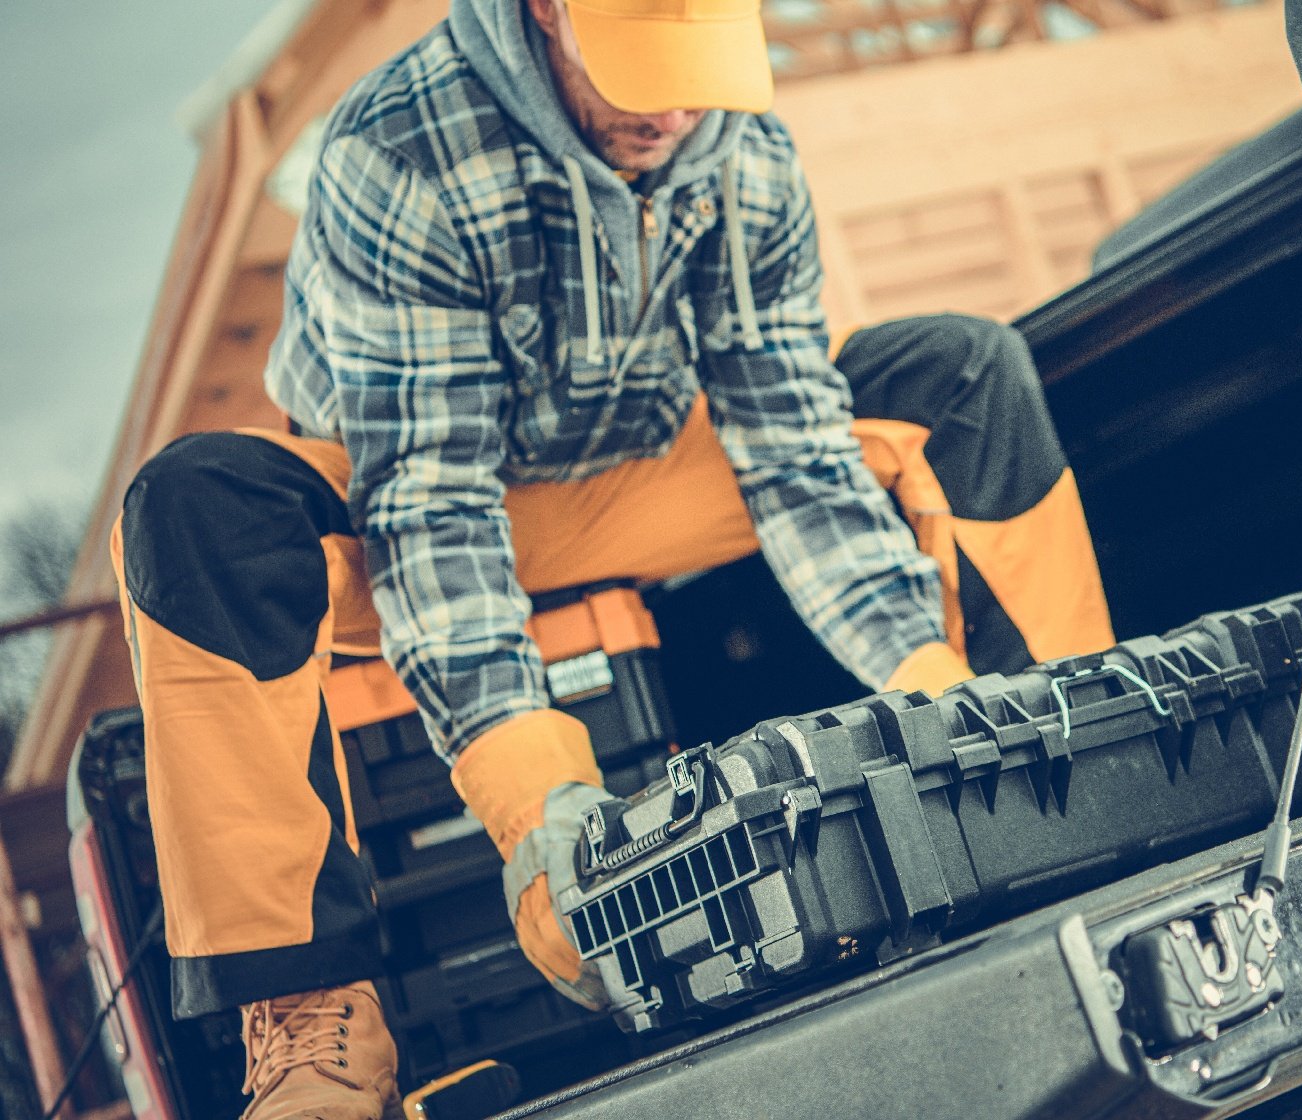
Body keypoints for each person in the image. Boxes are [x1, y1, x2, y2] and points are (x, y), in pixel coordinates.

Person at [110, 0, 1112, 1114]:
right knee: (190, 505)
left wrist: (927, 684)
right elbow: (433, 504)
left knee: (956, 370)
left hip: (631, 480)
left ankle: (1066, 774)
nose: (677, 107)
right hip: (401, 507)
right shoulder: (395, 151)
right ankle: (315, 1038)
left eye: (698, 64)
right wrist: (536, 804)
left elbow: (792, 450)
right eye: (643, 64)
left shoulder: (741, 149)